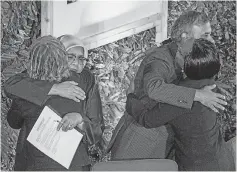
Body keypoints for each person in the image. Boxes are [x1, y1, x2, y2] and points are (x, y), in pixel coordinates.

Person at [106, 11, 227, 160]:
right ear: (184, 37)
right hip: (140, 140)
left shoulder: (189, 59)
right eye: (205, 36)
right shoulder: (159, 59)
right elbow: (154, 88)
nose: (212, 41)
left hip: (165, 143)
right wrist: (199, 95)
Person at [125, 38, 235, 171]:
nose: (176, 53)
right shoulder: (211, 87)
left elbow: (147, 119)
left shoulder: (180, 99)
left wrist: (130, 97)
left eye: (181, 53)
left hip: (197, 167)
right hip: (222, 161)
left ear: (186, 64)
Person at [5, 35, 104, 171]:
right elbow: (12, 86)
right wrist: (54, 89)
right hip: (70, 164)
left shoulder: (85, 80)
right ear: (59, 55)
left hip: (39, 163)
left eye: (81, 58)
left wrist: (80, 119)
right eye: (70, 57)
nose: (76, 63)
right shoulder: (32, 80)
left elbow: (14, 120)